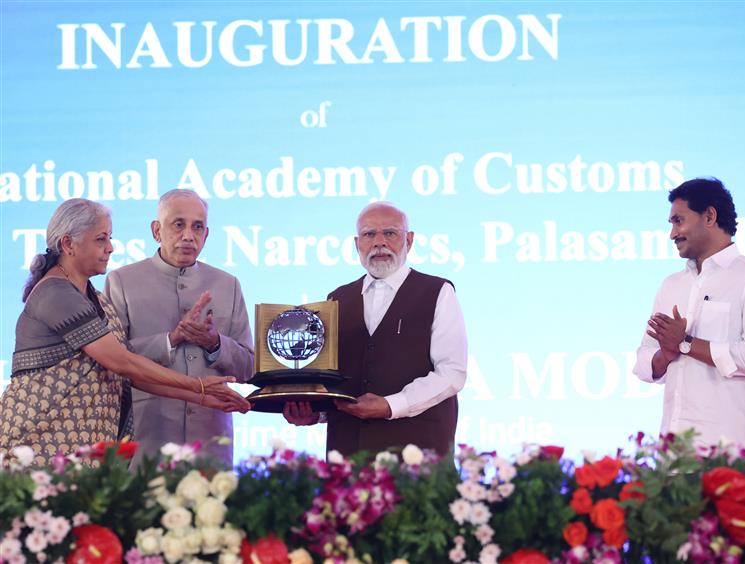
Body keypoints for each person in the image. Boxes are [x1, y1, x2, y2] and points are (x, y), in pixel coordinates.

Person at [0, 199, 250, 467]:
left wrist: (204, 397)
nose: (110, 247)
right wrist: (196, 385)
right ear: (68, 244)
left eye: (109, 238)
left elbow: (124, 374)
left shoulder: (93, 296)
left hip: (81, 448)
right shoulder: (56, 293)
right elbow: (124, 362)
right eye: (100, 239)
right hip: (43, 443)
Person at [283, 202, 467, 456]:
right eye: (370, 234)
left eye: (390, 233)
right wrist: (315, 412)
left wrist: (391, 405)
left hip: (417, 457)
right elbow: (335, 382)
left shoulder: (438, 291)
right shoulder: (336, 299)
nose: (379, 242)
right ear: (357, 244)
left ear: (409, 240)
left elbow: (451, 372)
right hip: (348, 454)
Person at [105, 189, 254, 466]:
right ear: (156, 230)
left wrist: (215, 344)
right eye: (178, 224)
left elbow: (248, 368)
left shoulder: (227, 284)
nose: (188, 235)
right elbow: (112, 361)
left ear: (206, 235)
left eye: (197, 227)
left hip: (210, 445)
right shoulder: (122, 281)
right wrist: (171, 339)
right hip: (146, 442)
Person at [633, 178, 745, 459]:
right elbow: (645, 361)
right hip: (674, 454)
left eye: (678, 221)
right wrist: (666, 353)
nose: (672, 233)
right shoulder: (671, 285)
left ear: (709, 216)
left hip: (730, 456)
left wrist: (685, 343)